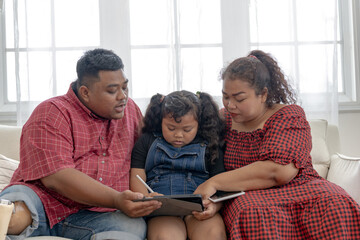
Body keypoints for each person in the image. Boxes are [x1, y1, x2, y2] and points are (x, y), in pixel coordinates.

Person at [194, 50, 360, 239]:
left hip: (303, 187)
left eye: (239, 98)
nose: (230, 105)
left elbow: (279, 172)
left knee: (335, 202)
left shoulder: (289, 116)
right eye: (226, 96)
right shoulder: (222, 120)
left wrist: (214, 183)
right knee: (251, 212)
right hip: (249, 196)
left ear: (263, 94)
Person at [0, 48, 162, 240]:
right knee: (14, 214)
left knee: (132, 228)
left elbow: (151, 157)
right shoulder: (52, 113)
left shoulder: (131, 112)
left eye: (124, 87)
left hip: (98, 214)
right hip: (43, 201)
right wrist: (116, 199)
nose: (122, 96)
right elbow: (57, 178)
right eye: (112, 90)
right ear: (85, 92)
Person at [130, 90, 227, 240]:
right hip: (162, 210)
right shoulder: (147, 141)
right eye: (171, 128)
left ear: (199, 124)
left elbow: (220, 185)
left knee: (213, 235)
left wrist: (214, 206)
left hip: (199, 209)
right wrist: (146, 197)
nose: (179, 135)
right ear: (160, 120)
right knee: (166, 236)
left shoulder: (210, 145)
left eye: (187, 129)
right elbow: (137, 175)